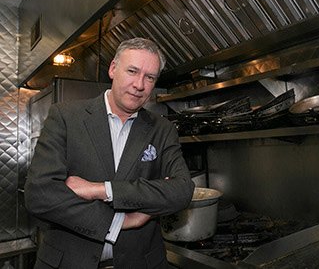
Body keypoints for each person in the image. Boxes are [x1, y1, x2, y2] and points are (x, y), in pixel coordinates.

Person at [24, 37, 195, 269]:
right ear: (113, 69)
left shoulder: (162, 129)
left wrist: (101, 189)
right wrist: (120, 221)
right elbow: (40, 194)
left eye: (150, 77)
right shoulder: (66, 117)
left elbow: (182, 191)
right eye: (132, 71)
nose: (139, 84)